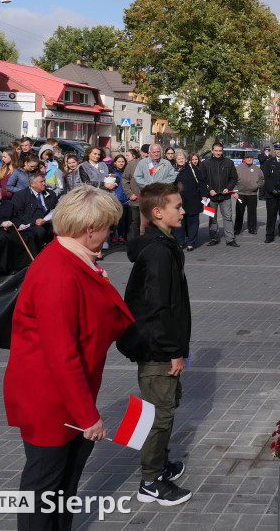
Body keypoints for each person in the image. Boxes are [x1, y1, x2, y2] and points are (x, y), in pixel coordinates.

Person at [3, 185, 133, 531]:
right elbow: (61, 354)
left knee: (64, 485)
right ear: (90, 229)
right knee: (45, 489)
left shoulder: (75, 259)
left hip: (66, 399)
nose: (111, 234)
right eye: (108, 227)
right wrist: (88, 416)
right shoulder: (59, 271)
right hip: (50, 401)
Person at [119, 182, 192, 507]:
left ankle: (160, 465)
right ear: (158, 212)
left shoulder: (162, 245)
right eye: (177, 206)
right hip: (156, 347)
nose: (183, 210)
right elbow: (158, 308)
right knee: (159, 414)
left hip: (159, 343)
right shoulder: (159, 253)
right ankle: (150, 481)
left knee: (164, 406)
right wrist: (173, 351)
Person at [201, 143, 238, 247]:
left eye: (220, 151)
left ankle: (230, 239)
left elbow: (234, 178)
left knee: (228, 217)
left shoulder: (229, 163)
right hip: (211, 197)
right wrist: (209, 190)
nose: (218, 153)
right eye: (216, 151)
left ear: (222, 151)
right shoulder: (205, 163)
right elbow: (202, 180)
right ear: (212, 151)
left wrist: (228, 188)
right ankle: (213, 238)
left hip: (225, 196)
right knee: (211, 218)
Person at [11, 173, 59, 253]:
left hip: (49, 221)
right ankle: (39, 252)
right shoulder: (20, 195)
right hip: (31, 223)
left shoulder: (50, 193)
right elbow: (19, 214)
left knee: (61, 227)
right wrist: (34, 221)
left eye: (44, 181)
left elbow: (56, 208)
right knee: (39, 231)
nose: (44, 183)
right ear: (32, 184)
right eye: (41, 182)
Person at [173, 150, 205, 251]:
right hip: (179, 200)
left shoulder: (191, 167)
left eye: (182, 158)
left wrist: (204, 195)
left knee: (193, 222)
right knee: (179, 222)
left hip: (193, 198)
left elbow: (201, 182)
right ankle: (180, 242)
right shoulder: (173, 170)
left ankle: (191, 242)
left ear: (185, 159)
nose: (181, 160)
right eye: (179, 159)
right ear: (176, 160)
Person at [260, 142, 280, 244]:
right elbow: (266, 177)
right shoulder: (269, 162)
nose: (278, 151)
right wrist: (272, 189)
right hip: (271, 194)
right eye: (276, 149)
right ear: (274, 150)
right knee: (271, 216)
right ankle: (269, 235)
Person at [233, 154, 264, 235]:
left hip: (252, 194)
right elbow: (234, 180)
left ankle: (252, 228)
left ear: (253, 159)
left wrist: (257, 186)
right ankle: (237, 228)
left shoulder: (257, 169)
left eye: (251, 157)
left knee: (252, 213)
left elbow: (262, 180)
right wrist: (235, 192)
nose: (249, 159)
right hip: (240, 194)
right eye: (247, 158)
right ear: (245, 159)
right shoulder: (239, 168)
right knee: (239, 212)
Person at [122, 148, 143, 240]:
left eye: (148, 152)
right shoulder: (132, 164)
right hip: (135, 201)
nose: (146, 154)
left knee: (147, 225)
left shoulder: (155, 164)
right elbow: (125, 179)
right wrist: (129, 194)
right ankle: (133, 245)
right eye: (144, 152)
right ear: (141, 152)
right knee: (134, 224)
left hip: (149, 202)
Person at [110, 154, 130, 243]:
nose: (121, 163)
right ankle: (113, 235)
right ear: (115, 162)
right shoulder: (112, 172)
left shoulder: (127, 171)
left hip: (125, 199)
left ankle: (121, 235)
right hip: (115, 198)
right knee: (114, 219)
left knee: (123, 220)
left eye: (123, 161)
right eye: (119, 161)